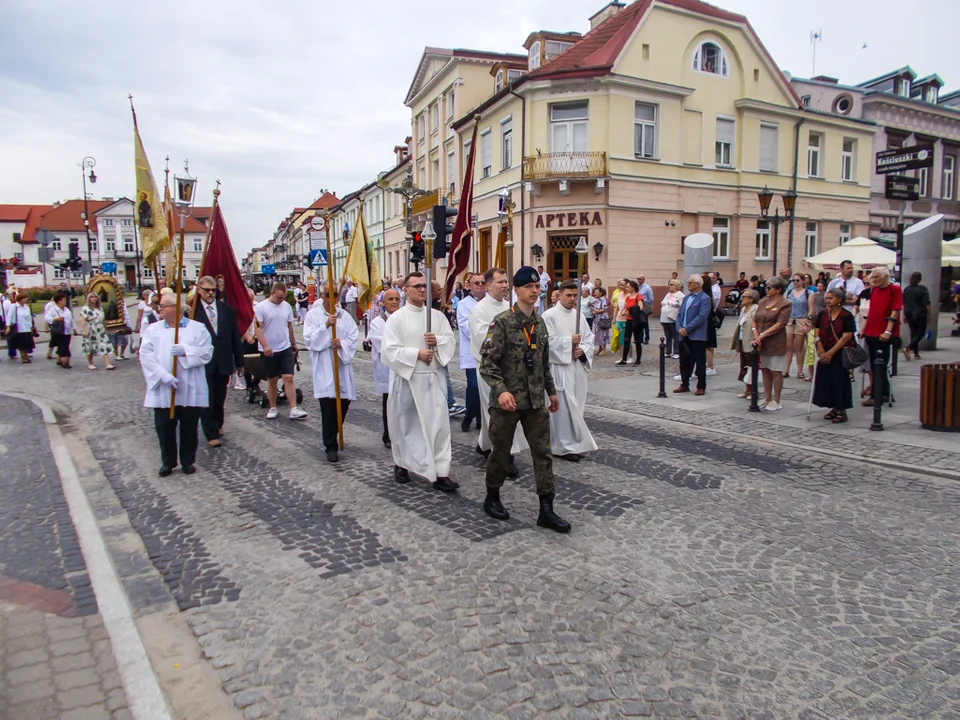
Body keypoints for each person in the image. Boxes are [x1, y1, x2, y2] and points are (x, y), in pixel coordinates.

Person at [479, 266, 569, 533]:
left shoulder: (539, 323)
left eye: (536, 287)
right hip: (508, 403)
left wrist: (551, 392)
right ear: (515, 290)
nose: (533, 291)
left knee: (543, 453)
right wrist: (501, 390)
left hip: (535, 402)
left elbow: (543, 363)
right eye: (528, 287)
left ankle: (546, 509)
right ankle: (492, 497)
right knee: (501, 452)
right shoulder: (503, 322)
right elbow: (487, 364)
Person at [381, 272, 459, 492]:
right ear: (405, 290)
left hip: (432, 379)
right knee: (406, 425)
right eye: (416, 286)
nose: (422, 290)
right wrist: (416, 353)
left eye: (424, 286)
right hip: (408, 379)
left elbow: (450, 340)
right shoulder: (396, 318)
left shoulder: (436, 316)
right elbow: (388, 351)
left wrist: (438, 341)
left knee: (439, 427)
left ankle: (441, 472)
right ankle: (402, 464)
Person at [139, 295, 214, 476]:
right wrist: (162, 375)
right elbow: (145, 355)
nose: (160, 309)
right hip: (164, 386)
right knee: (164, 426)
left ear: (176, 308)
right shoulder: (153, 330)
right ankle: (168, 461)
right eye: (159, 306)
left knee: (189, 426)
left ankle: (187, 460)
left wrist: (186, 351)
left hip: (190, 386)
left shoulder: (197, 328)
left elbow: (207, 352)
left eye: (163, 306)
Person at [469, 267, 525, 473]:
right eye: (500, 282)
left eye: (505, 282)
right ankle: (504, 456)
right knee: (497, 411)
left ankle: (485, 444)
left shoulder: (511, 307)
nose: (504, 285)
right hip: (490, 369)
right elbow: (483, 338)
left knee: (506, 409)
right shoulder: (480, 310)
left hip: (511, 369)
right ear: (488, 284)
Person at [543, 280, 598, 461]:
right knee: (563, 410)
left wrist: (582, 349)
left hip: (576, 368)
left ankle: (573, 443)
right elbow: (546, 343)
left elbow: (589, 338)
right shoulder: (549, 316)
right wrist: (568, 342)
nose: (573, 299)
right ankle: (561, 446)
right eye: (569, 295)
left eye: (575, 295)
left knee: (576, 405)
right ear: (560, 295)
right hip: (559, 369)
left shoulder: (579, 316)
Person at [304, 281, 358, 463]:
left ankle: (335, 432)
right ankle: (330, 445)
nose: (332, 298)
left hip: (342, 367)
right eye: (328, 294)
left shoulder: (344, 316)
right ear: (322, 295)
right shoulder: (313, 316)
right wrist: (326, 326)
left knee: (343, 405)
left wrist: (341, 344)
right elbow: (310, 341)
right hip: (325, 368)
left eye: (335, 294)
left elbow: (353, 337)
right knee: (328, 408)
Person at [193, 276, 244, 448]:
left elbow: (235, 336)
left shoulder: (226, 310)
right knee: (206, 397)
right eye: (206, 290)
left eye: (213, 290)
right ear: (199, 289)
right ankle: (211, 432)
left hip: (223, 359)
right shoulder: (193, 311)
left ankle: (218, 422)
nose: (210, 293)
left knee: (219, 397)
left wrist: (239, 361)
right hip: (202, 362)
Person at [254, 282, 308, 420]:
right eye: (279, 298)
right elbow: (257, 328)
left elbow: (289, 325)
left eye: (283, 298)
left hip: (284, 347)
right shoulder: (261, 308)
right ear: (272, 293)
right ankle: (273, 407)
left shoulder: (286, 307)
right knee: (272, 380)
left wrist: (293, 342)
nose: (281, 300)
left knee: (288, 378)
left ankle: (294, 408)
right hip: (269, 350)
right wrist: (265, 346)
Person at [812, 287, 856, 424]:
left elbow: (846, 337)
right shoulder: (823, 314)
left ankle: (841, 409)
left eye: (831, 298)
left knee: (839, 381)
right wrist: (822, 352)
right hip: (824, 351)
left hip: (839, 353)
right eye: (827, 298)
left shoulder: (846, 316)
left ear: (839, 300)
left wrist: (831, 353)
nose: (827, 300)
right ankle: (833, 407)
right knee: (826, 380)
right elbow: (817, 333)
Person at [861, 266, 902, 407]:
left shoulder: (894, 289)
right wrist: (864, 329)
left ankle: (876, 396)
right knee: (874, 364)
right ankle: (885, 393)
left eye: (877, 277)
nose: (874, 280)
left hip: (883, 332)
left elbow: (895, 311)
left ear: (885, 276)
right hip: (871, 331)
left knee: (880, 364)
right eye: (872, 277)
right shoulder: (874, 290)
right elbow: (872, 311)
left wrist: (888, 331)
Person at [751, 276, 791, 411]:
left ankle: (776, 400)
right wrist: (755, 333)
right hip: (761, 342)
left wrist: (762, 335)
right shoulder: (763, 301)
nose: (766, 290)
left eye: (769, 288)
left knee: (776, 371)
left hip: (775, 342)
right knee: (765, 370)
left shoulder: (785, 304)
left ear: (778, 289)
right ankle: (767, 397)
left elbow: (780, 324)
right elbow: (755, 319)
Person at [368, 288, 401, 448]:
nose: (394, 302)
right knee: (389, 402)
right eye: (391, 299)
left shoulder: (403, 319)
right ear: (383, 302)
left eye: (396, 299)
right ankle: (388, 434)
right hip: (387, 368)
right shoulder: (377, 322)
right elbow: (381, 344)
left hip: (402, 367)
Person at [456, 273, 485, 433]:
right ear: (469, 285)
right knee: (473, 385)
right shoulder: (463, 304)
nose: (479, 285)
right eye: (476, 283)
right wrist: (486, 335)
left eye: (482, 282)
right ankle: (469, 414)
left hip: (490, 352)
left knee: (485, 386)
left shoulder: (491, 302)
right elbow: (466, 326)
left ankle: (481, 419)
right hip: (472, 350)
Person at [673, 275, 711, 395]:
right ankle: (684, 384)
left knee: (699, 361)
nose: (688, 284)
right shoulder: (686, 298)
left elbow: (702, 316)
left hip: (697, 335)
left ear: (698, 285)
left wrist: (688, 328)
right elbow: (679, 314)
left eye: (690, 282)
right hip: (683, 334)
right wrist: (679, 327)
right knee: (684, 361)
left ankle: (701, 386)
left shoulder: (705, 298)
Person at [784, 272, 815, 379]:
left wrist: (808, 320)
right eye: (793, 281)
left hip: (802, 319)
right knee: (788, 346)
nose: (795, 283)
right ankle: (786, 370)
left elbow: (811, 309)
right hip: (790, 320)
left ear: (802, 281)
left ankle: (800, 370)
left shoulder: (808, 293)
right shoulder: (789, 293)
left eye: (797, 280)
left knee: (799, 347)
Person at [733, 289, 759, 398]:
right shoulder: (743, 309)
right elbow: (740, 326)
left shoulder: (756, 309)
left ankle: (753, 390)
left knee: (752, 366)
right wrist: (737, 344)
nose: (743, 298)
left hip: (750, 340)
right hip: (742, 340)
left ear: (752, 299)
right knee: (744, 366)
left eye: (745, 297)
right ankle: (747, 389)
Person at [78, 293, 115, 371]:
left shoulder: (100, 308)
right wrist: (85, 331)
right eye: (92, 297)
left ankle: (108, 364)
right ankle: (90, 363)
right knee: (90, 346)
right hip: (90, 328)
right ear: (89, 299)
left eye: (95, 297)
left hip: (100, 329)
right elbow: (82, 321)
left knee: (103, 344)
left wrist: (106, 328)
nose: (94, 298)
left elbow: (103, 320)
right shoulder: (85, 308)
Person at [902, 271, 931, 361]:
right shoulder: (923, 289)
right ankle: (909, 348)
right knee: (921, 332)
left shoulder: (907, 289)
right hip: (920, 313)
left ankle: (916, 353)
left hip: (908, 312)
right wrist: (930, 314)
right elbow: (926, 303)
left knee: (913, 332)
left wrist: (904, 314)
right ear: (920, 279)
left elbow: (904, 302)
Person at [803, 279, 827, 381]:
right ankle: (811, 375)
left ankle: (819, 375)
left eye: (821, 286)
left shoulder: (825, 296)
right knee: (810, 356)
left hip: (820, 316)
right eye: (818, 286)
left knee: (818, 355)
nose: (819, 288)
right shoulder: (814, 295)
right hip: (814, 316)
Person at [615, 280, 643, 366]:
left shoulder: (638, 296)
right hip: (629, 320)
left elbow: (640, 307)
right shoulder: (628, 297)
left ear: (633, 287)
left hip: (636, 320)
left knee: (637, 340)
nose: (627, 288)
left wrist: (630, 311)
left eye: (628, 287)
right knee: (626, 339)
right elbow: (625, 308)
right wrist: (623, 311)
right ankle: (624, 359)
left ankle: (638, 359)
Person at [44, 291, 74, 369]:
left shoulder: (66, 309)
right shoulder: (53, 309)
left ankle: (60, 359)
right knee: (62, 347)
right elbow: (46, 318)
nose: (65, 301)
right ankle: (64, 361)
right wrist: (55, 318)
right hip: (59, 332)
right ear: (59, 301)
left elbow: (71, 319)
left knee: (65, 345)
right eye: (64, 300)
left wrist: (74, 329)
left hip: (67, 331)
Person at [5, 293, 36, 363]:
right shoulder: (14, 306)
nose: (26, 299)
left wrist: (31, 327)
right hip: (19, 329)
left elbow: (29, 318)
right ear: (20, 299)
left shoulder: (26, 307)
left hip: (26, 328)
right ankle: (23, 356)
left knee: (26, 344)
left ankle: (26, 354)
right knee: (21, 344)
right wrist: (8, 327)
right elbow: (9, 317)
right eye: (25, 298)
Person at [660, 279, 683, 359]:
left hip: (673, 318)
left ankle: (677, 351)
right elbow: (663, 302)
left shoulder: (680, 295)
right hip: (665, 318)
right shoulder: (668, 294)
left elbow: (681, 304)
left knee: (675, 335)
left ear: (676, 286)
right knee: (668, 335)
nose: (669, 286)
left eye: (671, 284)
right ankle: (668, 351)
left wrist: (673, 304)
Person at [703, 273, 720, 375]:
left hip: (708, 323)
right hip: (710, 322)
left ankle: (710, 366)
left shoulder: (707, 295)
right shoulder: (710, 293)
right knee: (710, 345)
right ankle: (709, 365)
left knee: (708, 346)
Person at [590, 287, 610, 355]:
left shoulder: (603, 299)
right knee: (598, 333)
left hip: (603, 318)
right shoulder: (596, 300)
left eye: (596, 292)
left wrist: (597, 311)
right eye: (594, 292)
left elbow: (604, 308)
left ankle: (604, 349)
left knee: (603, 333)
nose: (595, 293)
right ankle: (600, 348)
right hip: (597, 318)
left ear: (601, 293)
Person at [636, 275, 654, 344]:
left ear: (643, 279)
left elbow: (651, 298)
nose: (638, 280)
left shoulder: (647, 287)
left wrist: (646, 305)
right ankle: (640, 338)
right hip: (638, 306)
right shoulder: (637, 287)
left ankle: (647, 338)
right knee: (639, 323)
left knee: (645, 322)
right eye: (637, 278)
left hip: (644, 305)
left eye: (639, 279)